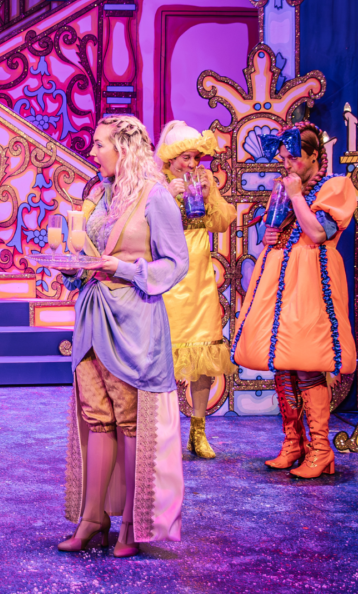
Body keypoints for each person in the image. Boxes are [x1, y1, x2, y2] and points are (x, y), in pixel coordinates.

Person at [59, 115, 187, 558]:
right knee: (97, 417)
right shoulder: (99, 195)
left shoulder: (156, 198)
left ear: (124, 148)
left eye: (99, 145)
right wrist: (74, 265)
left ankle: (133, 522)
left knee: (131, 421)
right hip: (93, 316)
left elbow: (175, 263)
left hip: (133, 320)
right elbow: (91, 253)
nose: (92, 153)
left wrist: (126, 269)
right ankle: (93, 518)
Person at [232, 121, 356, 479]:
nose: (287, 165)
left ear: (315, 155)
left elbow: (318, 231)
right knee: (283, 361)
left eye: (294, 158)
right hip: (279, 278)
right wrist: (271, 233)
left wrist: (298, 195)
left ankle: (321, 449)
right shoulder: (286, 188)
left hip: (312, 280)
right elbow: (280, 231)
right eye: (284, 158)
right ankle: (293, 444)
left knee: (306, 361)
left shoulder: (335, 186)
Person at [154, 121, 237, 459]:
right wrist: (166, 197)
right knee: (167, 360)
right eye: (185, 157)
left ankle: (198, 431)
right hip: (168, 281)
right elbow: (143, 227)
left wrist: (208, 196)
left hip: (200, 279)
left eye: (195, 157)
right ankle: (166, 430)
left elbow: (221, 221)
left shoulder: (203, 180)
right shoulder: (155, 184)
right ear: (171, 158)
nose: (191, 164)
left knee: (203, 356)